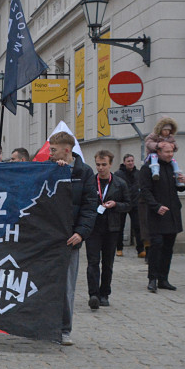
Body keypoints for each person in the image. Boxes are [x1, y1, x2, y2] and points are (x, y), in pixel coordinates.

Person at [47, 131, 97, 346]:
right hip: (48, 238)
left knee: (67, 286)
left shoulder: (84, 173)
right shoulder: (50, 169)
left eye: (53, 150)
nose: (50, 153)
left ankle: (64, 330)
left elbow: (89, 206)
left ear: (67, 150)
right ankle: (44, 325)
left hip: (70, 239)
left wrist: (81, 232)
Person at [138, 140, 185, 292]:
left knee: (168, 248)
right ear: (158, 152)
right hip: (156, 215)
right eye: (167, 152)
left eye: (172, 151)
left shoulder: (173, 167)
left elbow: (178, 189)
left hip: (172, 213)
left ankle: (163, 279)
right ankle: (152, 279)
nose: (170, 154)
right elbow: (145, 191)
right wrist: (156, 206)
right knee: (156, 245)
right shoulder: (148, 168)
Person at [84, 150, 132, 309]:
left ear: (110, 164)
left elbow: (129, 204)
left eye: (104, 165)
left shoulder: (119, 183)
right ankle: (93, 294)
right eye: (98, 164)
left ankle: (105, 293)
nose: (100, 168)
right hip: (93, 227)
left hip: (112, 227)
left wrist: (116, 205)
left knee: (107, 263)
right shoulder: (90, 182)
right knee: (92, 262)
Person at [116, 154, 144, 258]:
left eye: (132, 160)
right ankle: (119, 248)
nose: (131, 163)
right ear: (124, 162)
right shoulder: (118, 174)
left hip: (135, 203)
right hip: (123, 203)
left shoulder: (138, 173)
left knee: (138, 227)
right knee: (120, 227)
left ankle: (140, 249)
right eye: (128, 161)